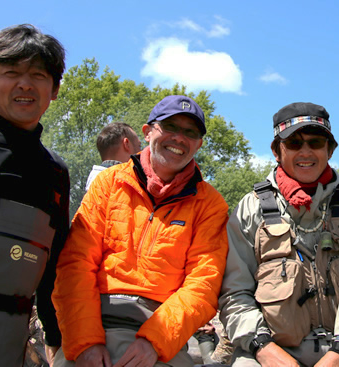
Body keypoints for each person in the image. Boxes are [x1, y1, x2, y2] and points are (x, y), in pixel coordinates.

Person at [52, 94, 229, 367]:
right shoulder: (108, 184)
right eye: (170, 127)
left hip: (161, 333)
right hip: (93, 318)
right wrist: (85, 342)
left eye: (190, 132)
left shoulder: (211, 205)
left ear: (199, 144)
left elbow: (203, 284)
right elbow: (75, 263)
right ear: (147, 132)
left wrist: (154, 341)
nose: (179, 138)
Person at [219, 102, 339, 367]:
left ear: (330, 150)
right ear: (277, 150)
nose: (305, 152)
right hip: (268, 350)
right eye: (294, 143)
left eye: (315, 142)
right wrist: (263, 349)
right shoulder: (250, 207)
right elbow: (234, 291)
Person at [0, 24, 70, 366]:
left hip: (10, 343)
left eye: (38, 74)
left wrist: (55, 338)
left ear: (54, 91)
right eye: (11, 72)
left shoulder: (55, 172)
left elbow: (53, 269)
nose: (25, 84)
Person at [85, 122, 141, 190]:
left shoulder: (95, 182)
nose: (141, 152)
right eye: (139, 146)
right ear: (126, 144)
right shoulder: (119, 184)